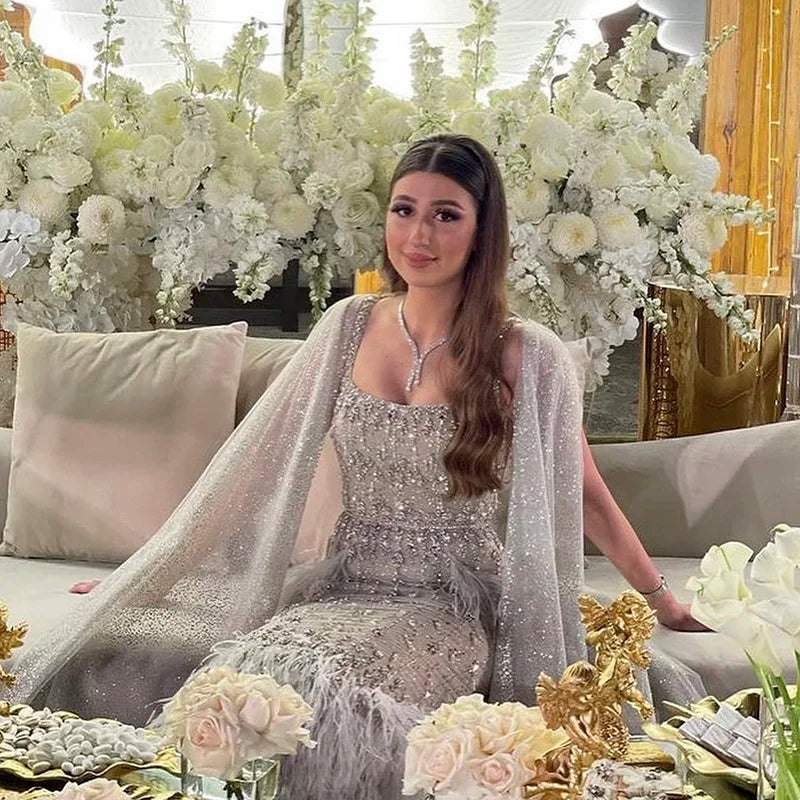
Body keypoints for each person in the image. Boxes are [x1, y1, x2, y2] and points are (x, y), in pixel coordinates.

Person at [6, 134, 704, 799]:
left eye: (445, 215)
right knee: (249, 678)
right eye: (404, 210)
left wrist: (659, 599)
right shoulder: (348, 325)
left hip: (454, 602)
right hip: (342, 584)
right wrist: (145, 575)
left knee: (326, 694)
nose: (418, 235)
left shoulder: (527, 353)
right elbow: (246, 472)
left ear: (482, 232)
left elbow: (583, 492)